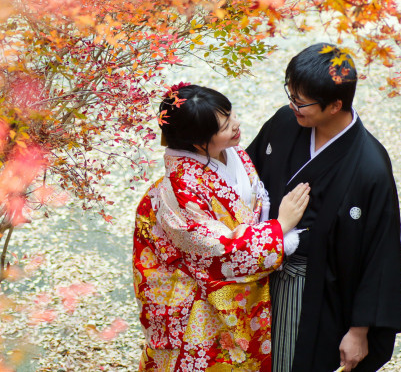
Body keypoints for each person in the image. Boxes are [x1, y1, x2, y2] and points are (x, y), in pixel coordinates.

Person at [246, 44, 401, 372]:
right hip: (256, 272)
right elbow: (245, 178)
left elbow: (381, 253)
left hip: (313, 290)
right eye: (290, 93)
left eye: (301, 101)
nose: (292, 105)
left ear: (335, 105)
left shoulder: (370, 166)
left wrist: (359, 331)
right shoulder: (284, 122)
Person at [133, 83, 310, 371]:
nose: (237, 125)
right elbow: (220, 254)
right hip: (201, 299)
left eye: (230, 115)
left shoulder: (230, 152)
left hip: (237, 290)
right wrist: (281, 227)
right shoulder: (181, 190)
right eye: (226, 125)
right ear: (198, 141)